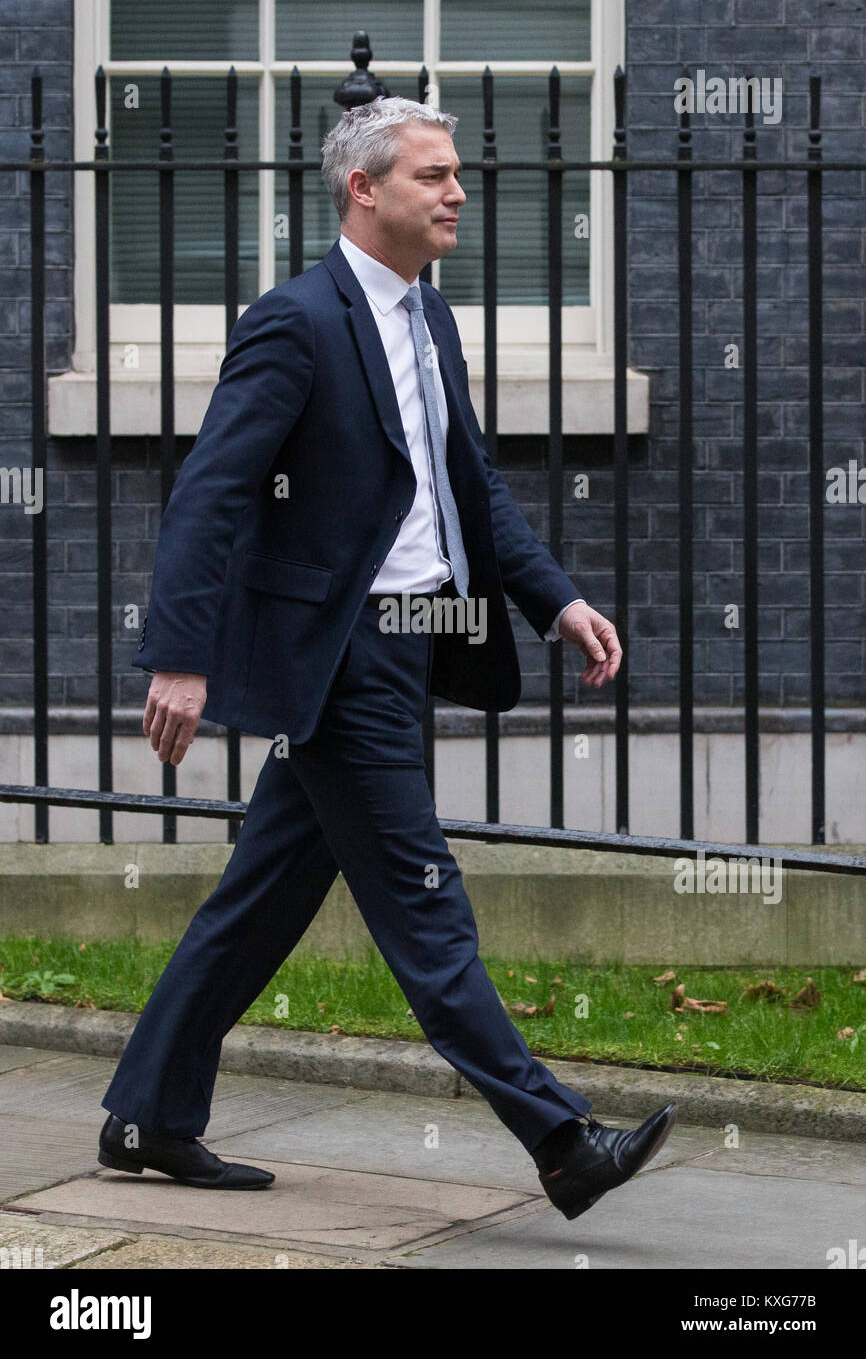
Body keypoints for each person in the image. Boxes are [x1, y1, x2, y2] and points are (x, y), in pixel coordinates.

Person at [98, 96, 676, 1222]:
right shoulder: (296, 321)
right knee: (425, 907)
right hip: (345, 654)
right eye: (433, 174)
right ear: (364, 189)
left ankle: (146, 1116)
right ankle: (561, 1142)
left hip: (414, 647)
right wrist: (177, 655)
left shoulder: (428, 320)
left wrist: (552, 599)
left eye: (457, 173)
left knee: (257, 901)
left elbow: (473, 487)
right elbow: (214, 493)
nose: (457, 191)